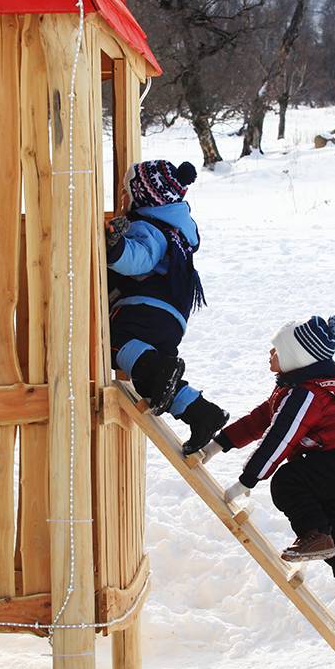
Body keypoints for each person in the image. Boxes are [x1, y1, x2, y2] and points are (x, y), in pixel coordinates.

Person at [197, 314, 335, 630]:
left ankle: (314, 535)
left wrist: (247, 481)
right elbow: (261, 421)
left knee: (287, 480)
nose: (270, 355)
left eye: (276, 350)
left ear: (297, 357)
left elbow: (279, 438)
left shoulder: (306, 395)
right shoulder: (294, 390)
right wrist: (218, 445)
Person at [106, 159, 228, 454]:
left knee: (110, 343)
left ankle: (163, 367)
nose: (124, 200)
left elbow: (139, 258)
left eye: (127, 193)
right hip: (170, 320)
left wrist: (114, 246)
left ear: (144, 195)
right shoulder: (176, 231)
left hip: (145, 309)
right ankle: (202, 414)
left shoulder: (150, 228)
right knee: (154, 383)